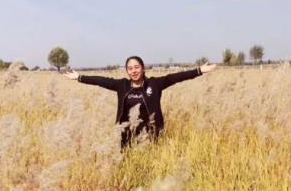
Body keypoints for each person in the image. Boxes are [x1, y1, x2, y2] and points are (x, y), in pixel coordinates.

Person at [63, 56, 217, 149]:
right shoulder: (122, 85)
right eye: (130, 68)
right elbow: (100, 81)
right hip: (126, 137)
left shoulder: (155, 84)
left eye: (136, 67)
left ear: (143, 68)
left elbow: (175, 77)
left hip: (151, 136)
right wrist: (79, 77)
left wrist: (199, 71)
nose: (134, 71)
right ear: (127, 71)